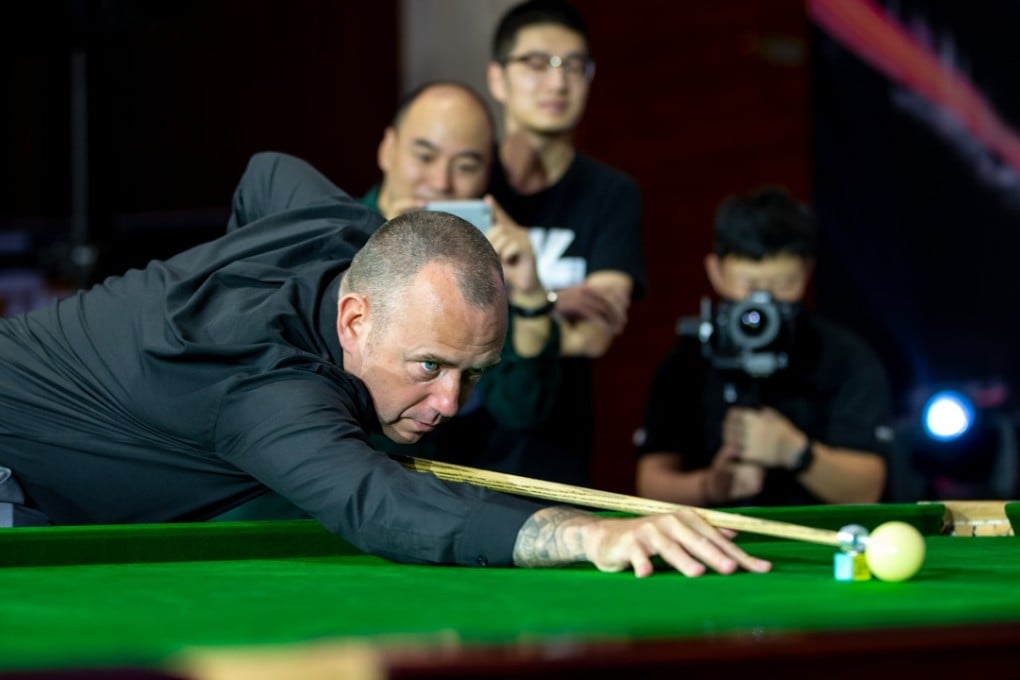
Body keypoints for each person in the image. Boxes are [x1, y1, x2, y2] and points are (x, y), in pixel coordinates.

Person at [0, 150, 771, 578]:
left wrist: (232, 268)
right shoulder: (267, 394)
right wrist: (589, 537)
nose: (450, 403)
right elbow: (381, 505)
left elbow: (266, 172)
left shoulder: (339, 232)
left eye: (472, 372)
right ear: (355, 318)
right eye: (430, 365)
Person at [634, 187, 893, 507]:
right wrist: (710, 486)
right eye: (750, 284)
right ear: (716, 271)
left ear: (806, 273)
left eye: (783, 283)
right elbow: (650, 483)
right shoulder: (685, 362)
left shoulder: (846, 358)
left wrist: (794, 450)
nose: (763, 301)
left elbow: (867, 491)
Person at [479, 0, 647, 486]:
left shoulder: (611, 194)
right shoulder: (466, 179)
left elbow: (594, 334)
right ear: (497, 78)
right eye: (536, 64)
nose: (557, 82)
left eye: (573, 66)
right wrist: (555, 304)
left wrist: (514, 307)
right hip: (454, 444)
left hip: (554, 455)